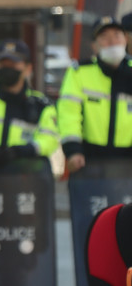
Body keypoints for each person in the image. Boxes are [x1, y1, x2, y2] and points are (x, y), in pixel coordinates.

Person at [58, 16, 132, 174]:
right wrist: (73, 150)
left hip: (128, 161)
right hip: (89, 160)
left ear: (125, 40)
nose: (112, 42)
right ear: (94, 46)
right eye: (104, 37)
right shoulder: (79, 72)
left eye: (117, 36)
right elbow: (69, 113)